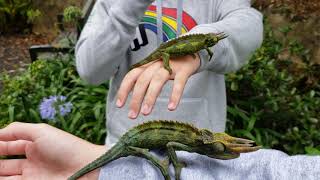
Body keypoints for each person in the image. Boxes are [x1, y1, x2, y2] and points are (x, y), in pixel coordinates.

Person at [1, 0, 319, 179]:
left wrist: (196, 51)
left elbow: (248, 22)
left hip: (203, 148)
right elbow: (89, 68)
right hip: (125, 143)